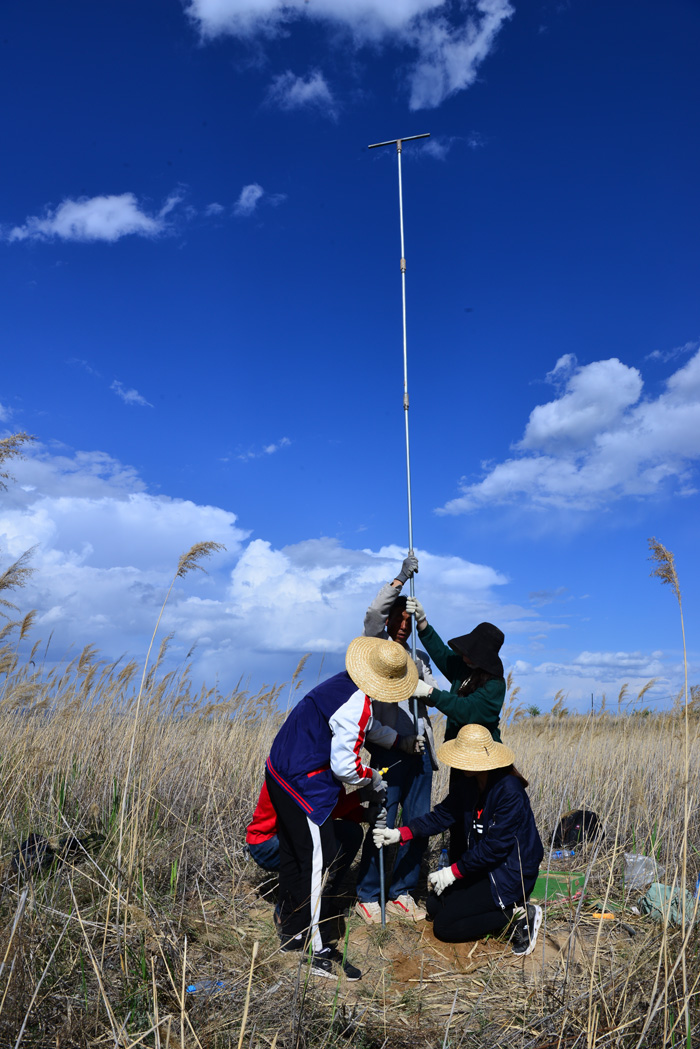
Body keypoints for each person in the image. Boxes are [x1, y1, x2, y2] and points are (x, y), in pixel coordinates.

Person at [265, 636, 418, 981]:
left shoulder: (342, 684)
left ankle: (291, 932)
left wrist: (397, 741)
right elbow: (344, 766)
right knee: (320, 861)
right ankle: (316, 949)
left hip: (279, 772)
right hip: (304, 782)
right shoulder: (358, 701)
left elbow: (366, 727)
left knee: (295, 854)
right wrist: (373, 780)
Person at [373, 724, 544, 955]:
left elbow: (495, 848)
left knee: (446, 927)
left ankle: (516, 916)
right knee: (435, 904)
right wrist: (401, 833)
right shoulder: (469, 785)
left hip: (508, 873)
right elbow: (441, 816)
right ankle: (495, 911)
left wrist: (453, 872)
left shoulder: (509, 791)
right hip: (483, 869)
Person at [355, 554, 437, 924]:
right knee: (383, 824)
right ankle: (368, 894)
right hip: (390, 751)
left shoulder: (418, 657)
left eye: (408, 621)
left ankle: (401, 892)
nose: (403, 626)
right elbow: (372, 614)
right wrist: (401, 578)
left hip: (421, 755)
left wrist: (424, 621)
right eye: (398, 619)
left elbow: (433, 694)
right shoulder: (376, 649)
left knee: (417, 824)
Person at [408, 598, 506, 743]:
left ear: (480, 658)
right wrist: (422, 622)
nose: (462, 653)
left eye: (469, 652)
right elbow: (442, 653)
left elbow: (467, 710)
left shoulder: (495, 684)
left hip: (483, 756)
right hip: (458, 752)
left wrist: (430, 692)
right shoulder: (465, 667)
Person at [246, 779, 366, 878]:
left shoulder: (325, 767)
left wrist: (364, 814)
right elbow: (321, 814)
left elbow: (334, 804)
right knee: (330, 846)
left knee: (351, 832)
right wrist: (360, 796)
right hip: (267, 844)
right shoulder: (307, 768)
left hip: (286, 836)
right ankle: (306, 900)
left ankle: (325, 899)